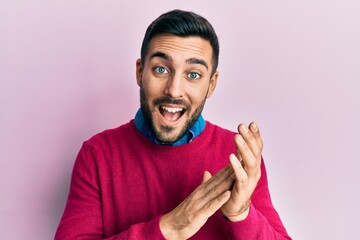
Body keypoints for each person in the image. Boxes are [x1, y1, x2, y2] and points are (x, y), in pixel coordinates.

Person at [55, 9, 291, 240]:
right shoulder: (97, 154)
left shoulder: (239, 157)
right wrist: (169, 228)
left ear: (211, 84)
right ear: (140, 72)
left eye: (194, 75)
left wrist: (240, 214)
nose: (174, 90)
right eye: (161, 69)